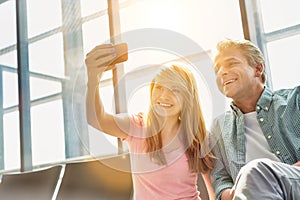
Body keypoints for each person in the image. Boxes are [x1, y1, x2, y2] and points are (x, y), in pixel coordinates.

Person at [85, 44, 215, 200]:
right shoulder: (137, 126)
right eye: (159, 87)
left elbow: (214, 190)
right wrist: (93, 78)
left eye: (175, 90)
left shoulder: (199, 138)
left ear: (188, 98)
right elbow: (96, 119)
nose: (164, 96)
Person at [210, 38, 300, 200]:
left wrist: (270, 178)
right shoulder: (219, 126)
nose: (222, 72)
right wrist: (235, 192)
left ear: (258, 69)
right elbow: (220, 179)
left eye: (231, 63)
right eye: (217, 68)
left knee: (256, 171)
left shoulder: (295, 100)